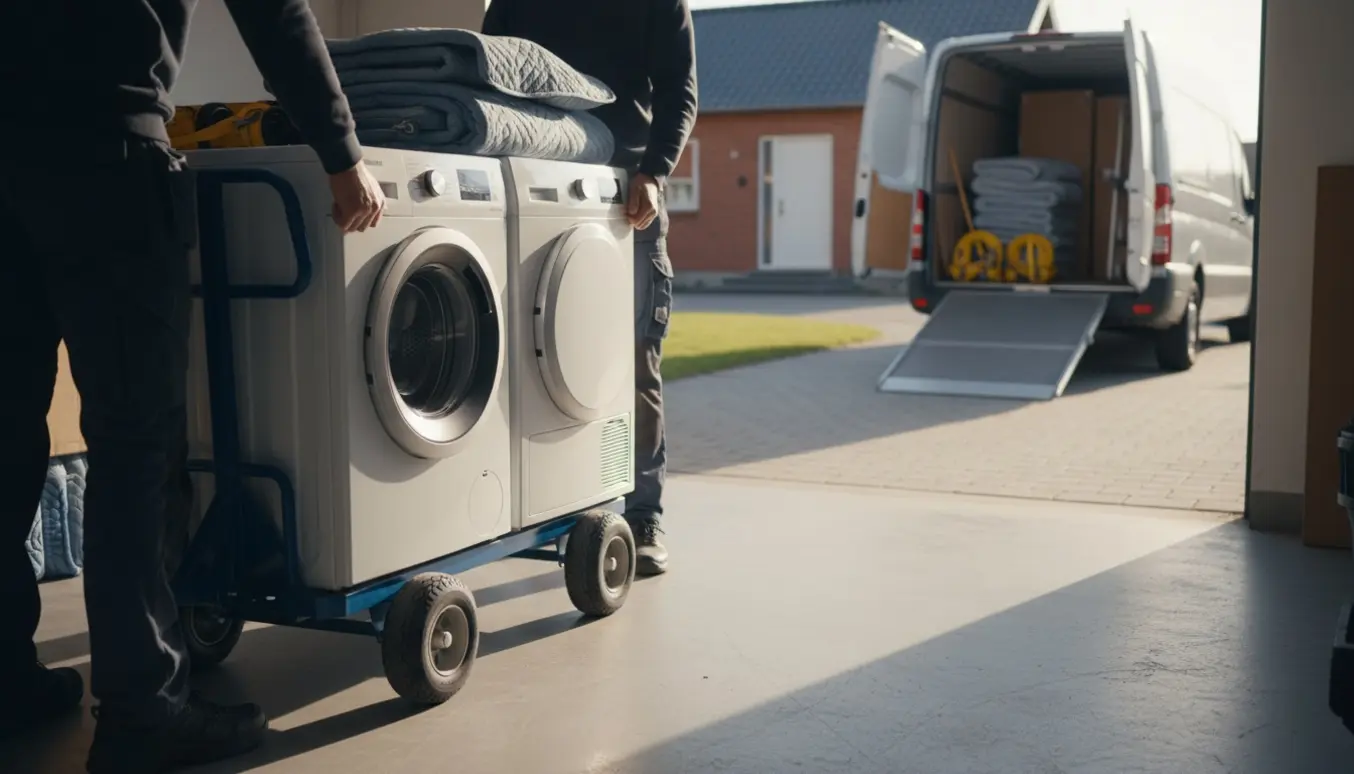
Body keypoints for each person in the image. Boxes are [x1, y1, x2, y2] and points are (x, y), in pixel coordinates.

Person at [0, 1, 384, 770]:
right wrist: (341, 154)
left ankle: (4, 679)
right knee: (133, 444)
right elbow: (274, 12)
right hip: (106, 163)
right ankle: (143, 706)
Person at [482, 0, 698, 576]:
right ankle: (552, 502)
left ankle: (643, 514)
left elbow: (680, 87)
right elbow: (491, 72)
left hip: (626, 199)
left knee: (632, 363)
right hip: (533, 186)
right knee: (533, 360)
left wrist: (655, 171)